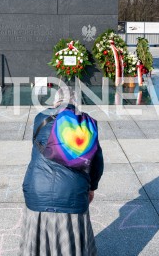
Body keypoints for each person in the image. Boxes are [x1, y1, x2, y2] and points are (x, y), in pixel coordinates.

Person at [20, 86, 104, 256]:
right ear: (76, 103)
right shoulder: (86, 123)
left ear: (55, 101)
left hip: (37, 189)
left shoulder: (40, 118)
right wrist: (92, 187)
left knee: (37, 239)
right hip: (72, 192)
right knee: (71, 241)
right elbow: (97, 162)